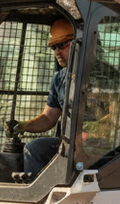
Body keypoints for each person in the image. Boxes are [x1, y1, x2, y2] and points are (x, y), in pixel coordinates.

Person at [6, 18, 73, 177]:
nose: (57, 52)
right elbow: (49, 118)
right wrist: (24, 125)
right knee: (35, 149)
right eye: (54, 47)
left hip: (98, 145)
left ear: (79, 43)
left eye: (62, 45)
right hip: (69, 143)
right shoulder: (60, 79)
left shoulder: (105, 76)